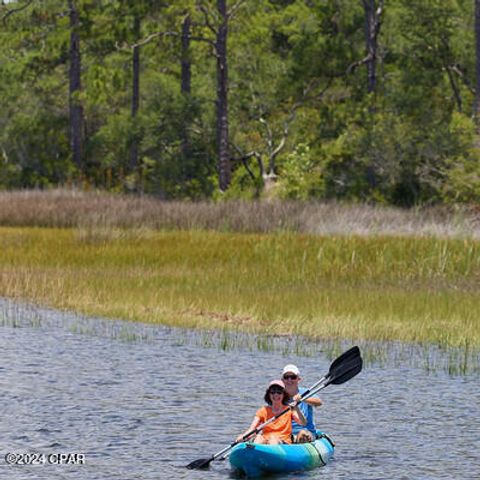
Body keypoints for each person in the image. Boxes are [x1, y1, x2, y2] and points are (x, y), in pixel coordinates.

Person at [236, 380, 306, 445]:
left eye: (279, 392)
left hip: (282, 442)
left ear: (283, 394)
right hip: (266, 440)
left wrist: (296, 408)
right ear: (269, 395)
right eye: (273, 392)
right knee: (258, 438)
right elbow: (252, 429)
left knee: (273, 439)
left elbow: (303, 423)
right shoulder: (263, 410)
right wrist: (243, 436)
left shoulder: (289, 409)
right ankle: (255, 455)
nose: (276, 395)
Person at [282, 364, 322, 443]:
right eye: (286, 377)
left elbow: (319, 403)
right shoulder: (277, 395)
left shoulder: (305, 392)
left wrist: (303, 399)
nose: (289, 380)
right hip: (286, 433)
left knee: (302, 434)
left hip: (306, 432)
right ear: (282, 380)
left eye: (293, 377)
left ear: (298, 379)